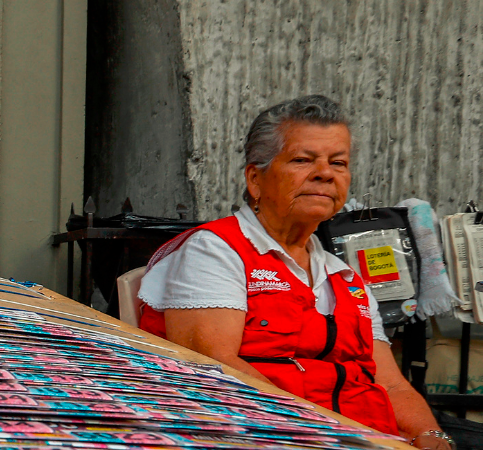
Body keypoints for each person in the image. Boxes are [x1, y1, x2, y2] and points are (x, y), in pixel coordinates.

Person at [137, 95, 453, 449]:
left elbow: (390, 383)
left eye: (339, 162)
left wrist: (431, 434)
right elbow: (213, 369)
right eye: (303, 160)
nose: (325, 173)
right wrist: (333, 435)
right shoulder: (216, 250)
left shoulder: (345, 277)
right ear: (255, 179)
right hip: (272, 438)